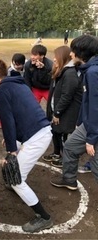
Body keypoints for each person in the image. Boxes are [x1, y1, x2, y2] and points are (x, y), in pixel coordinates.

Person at [0, 58, 53, 233]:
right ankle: (13, 183)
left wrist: (12, 150)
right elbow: (18, 115)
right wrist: (14, 141)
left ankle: (44, 217)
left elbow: (7, 123)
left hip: (36, 137)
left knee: (17, 179)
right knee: (12, 170)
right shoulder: (18, 83)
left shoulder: (2, 91)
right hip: (39, 131)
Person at [50, 35, 98, 190]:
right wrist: (80, 123)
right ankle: (69, 180)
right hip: (89, 123)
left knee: (96, 164)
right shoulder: (87, 70)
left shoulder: (93, 73)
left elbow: (95, 107)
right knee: (70, 147)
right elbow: (87, 102)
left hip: (95, 125)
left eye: (73, 51)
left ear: (81, 53)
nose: (70, 54)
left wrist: (91, 139)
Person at [42, 46, 82, 168]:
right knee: (55, 132)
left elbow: (67, 96)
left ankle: (65, 159)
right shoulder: (61, 71)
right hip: (58, 110)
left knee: (64, 135)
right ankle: (56, 153)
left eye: (56, 57)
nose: (54, 59)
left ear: (63, 58)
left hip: (65, 113)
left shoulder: (69, 74)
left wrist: (57, 113)